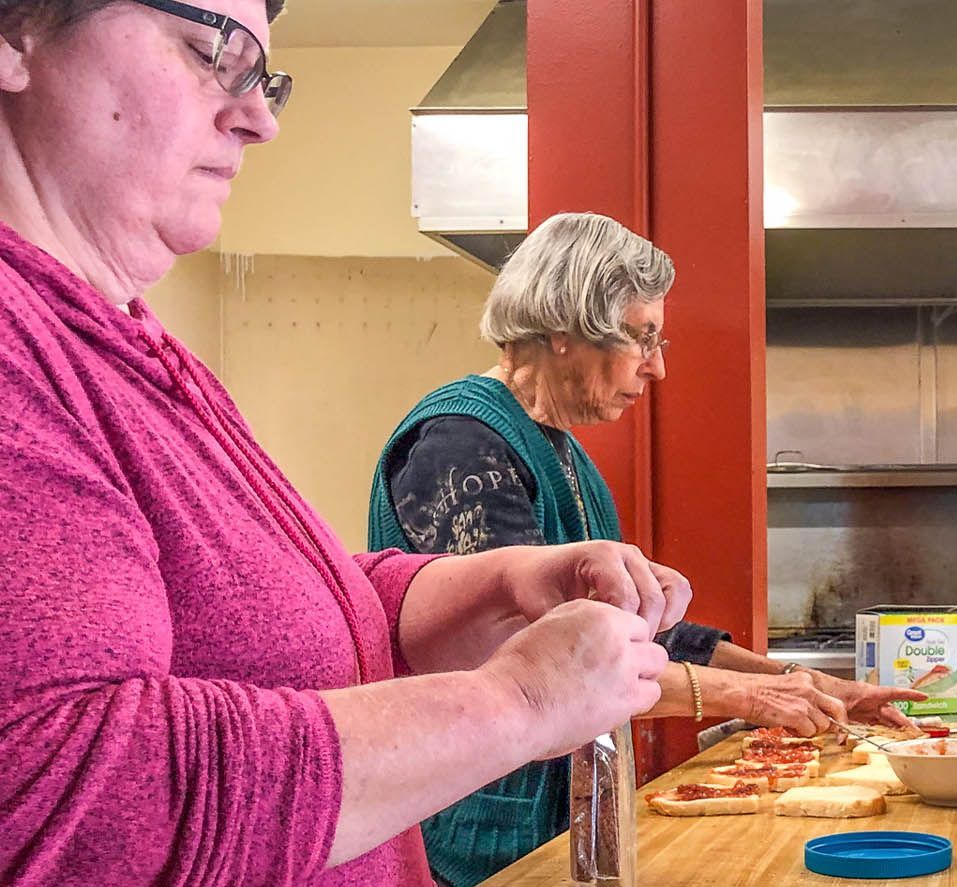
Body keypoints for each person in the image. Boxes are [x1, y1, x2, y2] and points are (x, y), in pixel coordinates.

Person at [0, 2, 689, 883]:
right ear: (17, 31)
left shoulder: (138, 348)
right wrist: (513, 699)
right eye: (215, 51)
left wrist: (499, 586)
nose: (260, 117)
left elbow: (288, 612)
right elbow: (81, 802)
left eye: (265, 78)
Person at [370, 211, 924, 885]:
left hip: (559, 826)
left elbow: (641, 631)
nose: (657, 366)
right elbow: (545, 657)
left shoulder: (565, 454)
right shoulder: (461, 444)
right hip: (474, 835)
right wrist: (744, 699)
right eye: (642, 337)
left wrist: (796, 682)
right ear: (563, 330)